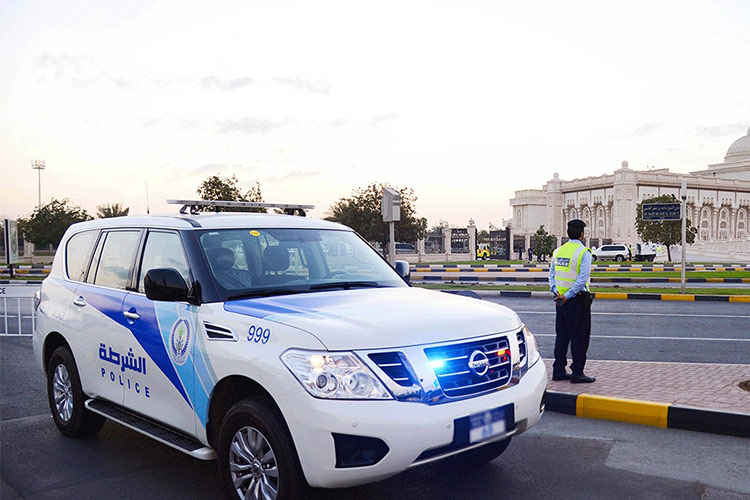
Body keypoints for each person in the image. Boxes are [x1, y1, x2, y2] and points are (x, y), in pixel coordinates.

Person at [548, 219, 595, 383]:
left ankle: (558, 370)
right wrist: (568, 295)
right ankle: (577, 373)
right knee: (579, 338)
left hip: (560, 302)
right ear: (582, 234)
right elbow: (582, 279)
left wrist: (557, 292)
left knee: (562, 337)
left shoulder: (558, 251)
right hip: (577, 301)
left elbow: (552, 275)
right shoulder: (584, 252)